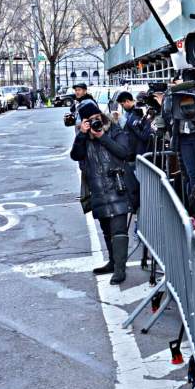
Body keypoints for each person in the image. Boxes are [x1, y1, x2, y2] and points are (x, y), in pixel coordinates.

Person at [72, 102, 136, 285]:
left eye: (95, 118)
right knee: (107, 230)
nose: (94, 122)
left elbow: (124, 152)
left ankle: (120, 270)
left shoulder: (114, 130)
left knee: (118, 230)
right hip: (97, 188)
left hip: (117, 186)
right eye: (89, 121)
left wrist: (102, 137)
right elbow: (76, 155)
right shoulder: (83, 137)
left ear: (101, 116)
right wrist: (82, 135)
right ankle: (113, 262)